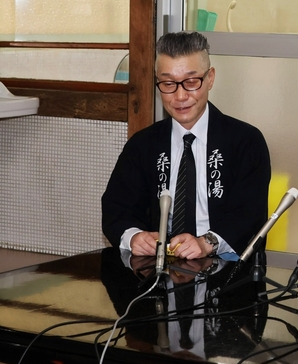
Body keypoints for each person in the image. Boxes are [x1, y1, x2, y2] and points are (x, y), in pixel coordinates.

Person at [101, 32, 271, 260]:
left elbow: (251, 215)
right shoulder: (143, 144)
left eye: (191, 82)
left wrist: (207, 243)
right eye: (168, 83)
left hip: (225, 269)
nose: (180, 96)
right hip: (158, 271)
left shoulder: (245, 141)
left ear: (210, 78)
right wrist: (133, 237)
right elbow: (116, 208)